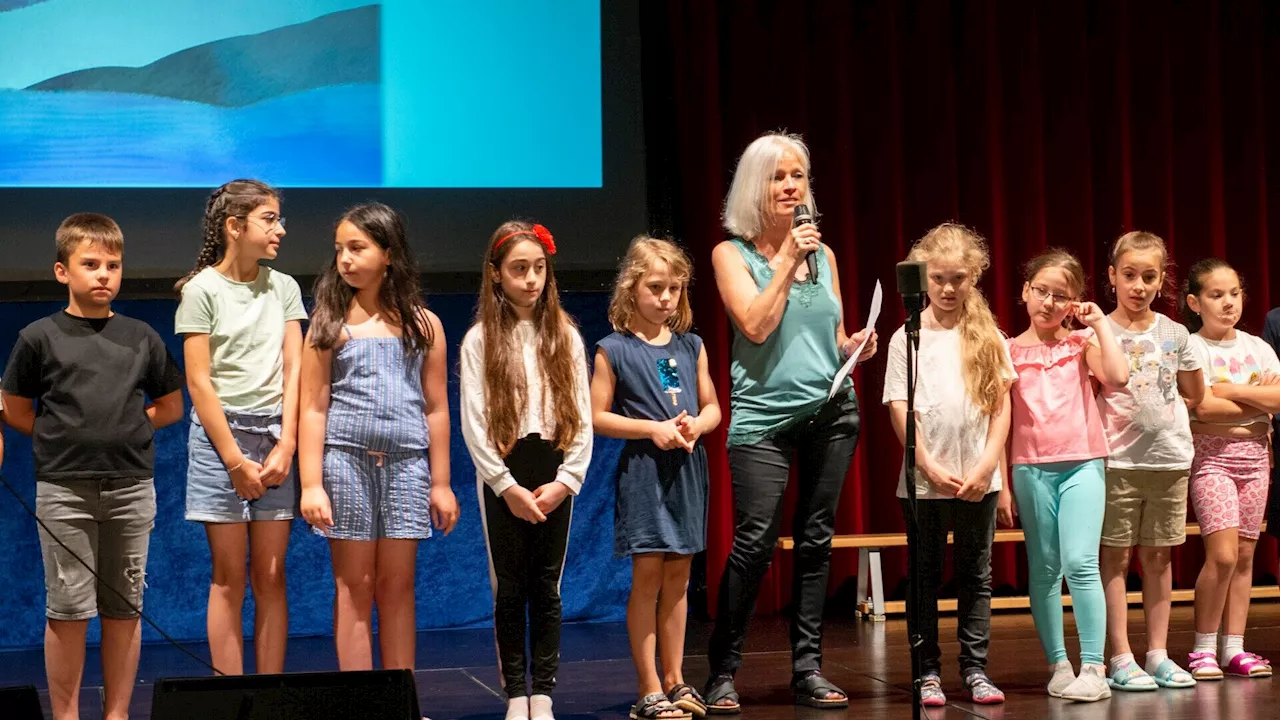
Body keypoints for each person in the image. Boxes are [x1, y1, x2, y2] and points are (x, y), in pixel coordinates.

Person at [704, 132, 876, 713]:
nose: (791, 186)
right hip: (764, 418)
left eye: (798, 175)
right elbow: (754, 324)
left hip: (832, 410)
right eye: (779, 176)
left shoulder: (822, 256)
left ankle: (809, 669)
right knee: (753, 542)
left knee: (815, 542)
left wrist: (854, 345)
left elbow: (829, 334)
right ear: (756, 185)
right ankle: (722, 671)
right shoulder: (733, 254)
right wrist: (784, 259)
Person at [1, 213, 185, 720]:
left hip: (130, 487)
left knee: (124, 609)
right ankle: (65, 715)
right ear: (63, 271)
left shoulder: (141, 336)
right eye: (90, 264)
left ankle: (118, 712)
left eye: (113, 265)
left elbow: (170, 406)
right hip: (63, 490)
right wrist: (63, 436)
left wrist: (128, 424)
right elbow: (15, 408)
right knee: (67, 610)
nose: (103, 274)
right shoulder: (39, 337)